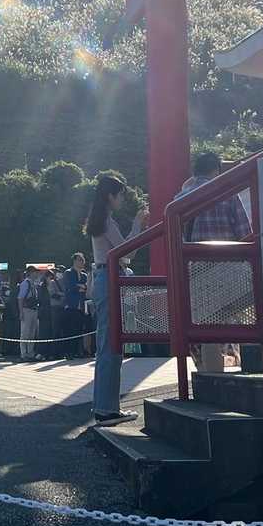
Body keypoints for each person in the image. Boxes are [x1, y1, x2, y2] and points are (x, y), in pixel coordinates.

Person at [177, 151, 252, 371]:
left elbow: (177, 239)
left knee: (206, 325)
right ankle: (245, 364)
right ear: (216, 170)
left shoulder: (181, 198)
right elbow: (245, 233)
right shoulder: (228, 192)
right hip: (229, 269)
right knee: (237, 320)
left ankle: (211, 375)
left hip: (198, 271)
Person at [85, 173, 150, 423]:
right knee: (111, 347)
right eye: (121, 194)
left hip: (103, 279)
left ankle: (104, 406)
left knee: (107, 346)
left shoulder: (98, 218)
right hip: (110, 279)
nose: (123, 199)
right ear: (110, 196)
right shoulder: (107, 221)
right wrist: (137, 225)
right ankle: (107, 409)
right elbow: (127, 253)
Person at [63, 253, 91, 359]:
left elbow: (86, 287)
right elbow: (70, 287)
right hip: (71, 306)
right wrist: (80, 287)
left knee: (79, 329)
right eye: (80, 260)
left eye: (83, 260)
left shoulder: (84, 275)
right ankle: (68, 352)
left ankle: (78, 351)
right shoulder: (68, 273)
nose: (82, 262)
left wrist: (80, 287)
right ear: (74, 261)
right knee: (70, 330)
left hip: (82, 306)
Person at [16, 267, 40, 359]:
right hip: (26, 310)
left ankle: (30, 352)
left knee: (32, 333)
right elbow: (20, 298)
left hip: (34, 309)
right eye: (35, 272)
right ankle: (23, 353)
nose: (36, 274)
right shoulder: (25, 283)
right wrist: (21, 312)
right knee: (25, 333)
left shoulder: (34, 284)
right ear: (30, 273)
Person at [37, 268, 58, 361]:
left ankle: (51, 353)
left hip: (52, 312)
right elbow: (42, 299)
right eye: (49, 277)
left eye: (52, 277)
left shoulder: (55, 285)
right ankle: (42, 352)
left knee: (51, 332)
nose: (50, 279)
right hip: (44, 312)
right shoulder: (42, 287)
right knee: (43, 333)